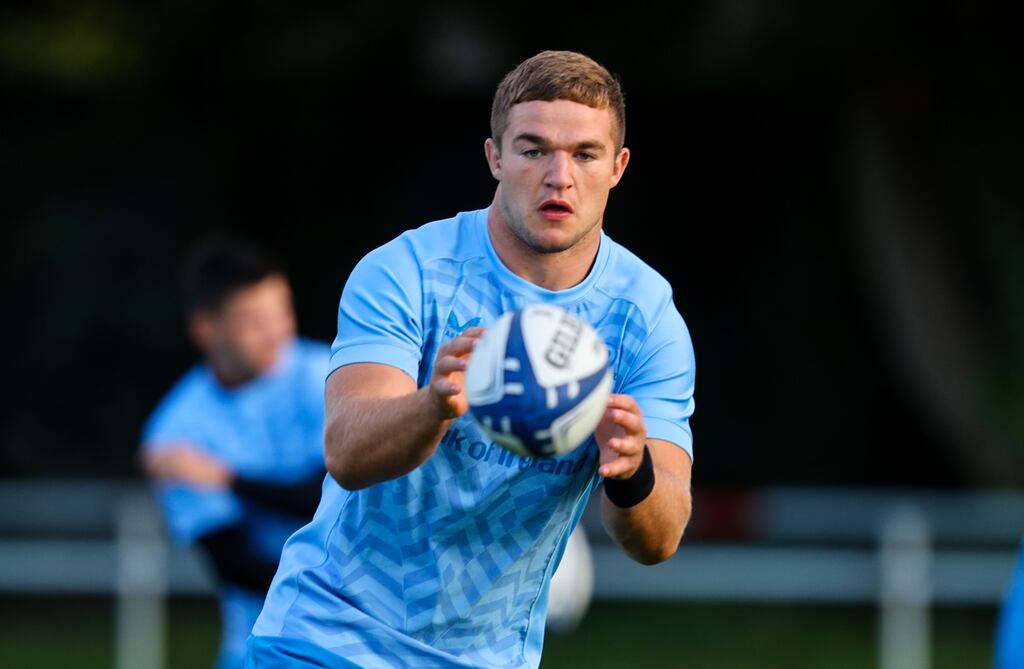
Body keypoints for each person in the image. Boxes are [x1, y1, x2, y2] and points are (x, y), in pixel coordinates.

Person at [247, 49, 696, 669]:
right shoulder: (408, 272)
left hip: (486, 657)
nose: (559, 176)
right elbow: (347, 454)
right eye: (533, 149)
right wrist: (432, 404)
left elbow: (659, 538)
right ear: (495, 157)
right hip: (327, 636)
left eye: (584, 154)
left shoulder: (644, 320)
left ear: (617, 167)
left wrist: (631, 469)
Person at [140, 236, 330, 669]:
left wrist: (226, 477)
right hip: (264, 639)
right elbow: (234, 564)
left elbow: (337, 492)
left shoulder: (336, 375)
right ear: (206, 329)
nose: (277, 330)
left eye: (282, 310)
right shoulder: (175, 432)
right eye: (254, 320)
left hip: (372, 632)